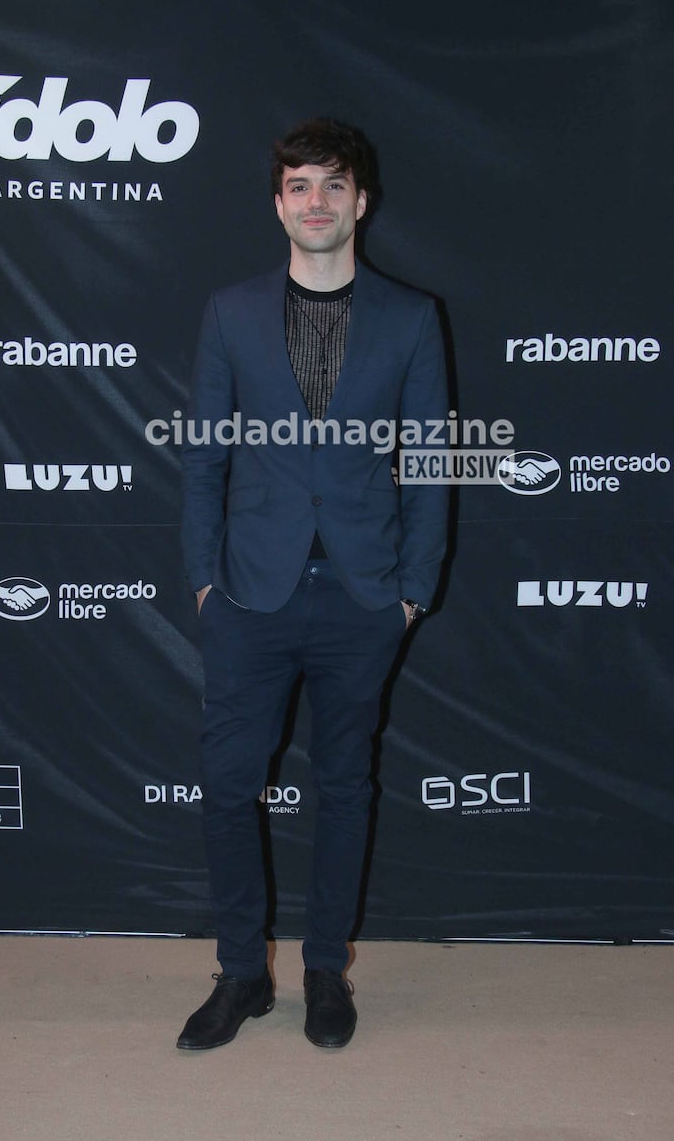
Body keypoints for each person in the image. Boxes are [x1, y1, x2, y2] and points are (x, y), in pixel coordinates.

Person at [178, 117, 448, 1050]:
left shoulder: (412, 318)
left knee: (345, 785)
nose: (317, 202)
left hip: (365, 596)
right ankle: (243, 974)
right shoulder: (230, 311)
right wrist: (204, 582)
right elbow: (203, 460)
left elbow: (429, 461)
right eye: (300, 185)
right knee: (225, 786)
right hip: (250, 593)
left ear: (360, 202)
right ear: (278, 202)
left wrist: (412, 589)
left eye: (334, 186)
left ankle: (325, 969)